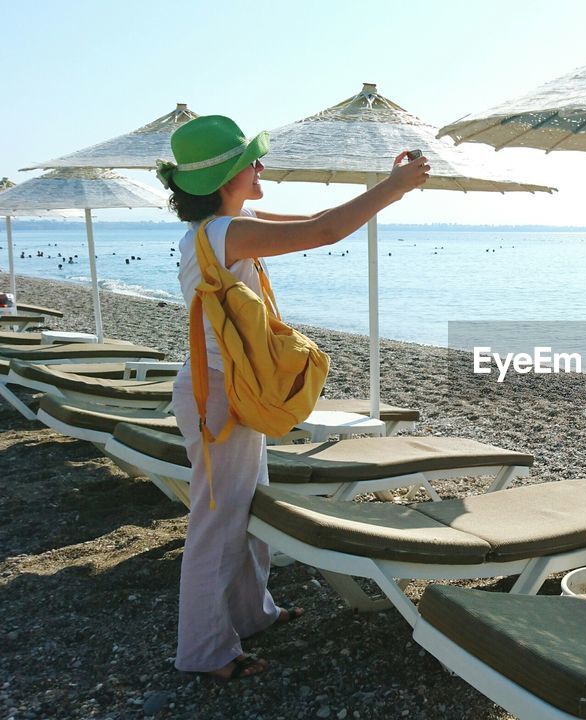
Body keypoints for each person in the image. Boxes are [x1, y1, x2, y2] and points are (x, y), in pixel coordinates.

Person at [157, 115, 430, 681]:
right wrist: (396, 187)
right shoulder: (222, 235)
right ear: (229, 174)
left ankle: (253, 616)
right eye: (251, 161)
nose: (261, 167)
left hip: (228, 390)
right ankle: (205, 653)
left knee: (245, 507)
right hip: (218, 398)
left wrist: (387, 187)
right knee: (217, 522)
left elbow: (316, 221)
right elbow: (325, 232)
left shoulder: (228, 224)